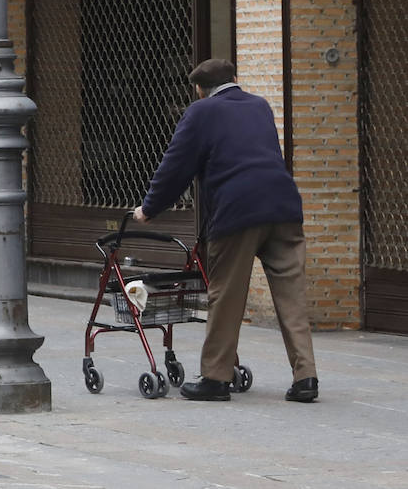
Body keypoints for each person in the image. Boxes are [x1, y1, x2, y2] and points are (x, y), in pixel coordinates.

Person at [133, 58, 317, 403]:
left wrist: (149, 208)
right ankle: (306, 377)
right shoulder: (260, 106)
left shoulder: (200, 113)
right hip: (284, 207)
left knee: (226, 295)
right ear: (235, 79)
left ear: (200, 90)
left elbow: (176, 166)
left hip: (238, 212)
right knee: (292, 297)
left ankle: (216, 378)